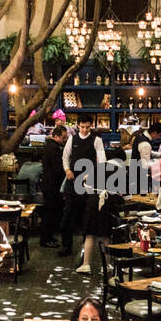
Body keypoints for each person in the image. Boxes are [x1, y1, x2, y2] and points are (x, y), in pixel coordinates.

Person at [60, 115, 105, 273]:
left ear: (91, 126)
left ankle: (85, 248)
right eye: (82, 127)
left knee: (87, 216)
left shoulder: (96, 140)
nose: (84, 130)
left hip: (89, 183)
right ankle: (67, 246)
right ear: (78, 126)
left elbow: (102, 161)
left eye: (87, 127)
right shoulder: (72, 140)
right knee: (69, 212)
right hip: (73, 180)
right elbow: (65, 157)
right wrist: (67, 170)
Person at [40, 124, 68, 247]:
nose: (65, 140)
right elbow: (57, 168)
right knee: (50, 213)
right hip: (52, 185)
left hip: (48, 184)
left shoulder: (50, 146)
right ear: (56, 136)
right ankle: (46, 239)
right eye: (63, 138)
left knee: (51, 212)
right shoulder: (54, 148)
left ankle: (49, 236)